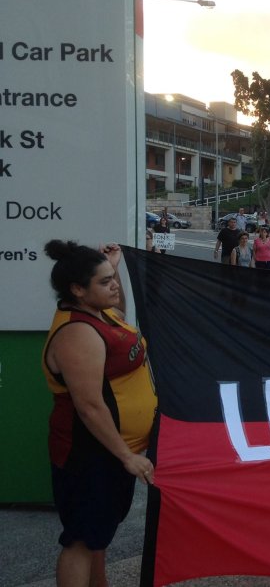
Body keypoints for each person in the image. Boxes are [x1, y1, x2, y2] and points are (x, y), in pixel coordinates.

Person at [41, 241, 156, 586]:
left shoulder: (97, 312)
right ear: (77, 289)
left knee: (98, 534)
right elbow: (89, 405)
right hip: (89, 453)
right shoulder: (77, 333)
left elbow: (119, 314)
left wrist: (114, 266)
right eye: (105, 282)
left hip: (110, 451)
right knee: (80, 539)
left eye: (113, 278)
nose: (115, 286)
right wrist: (126, 457)